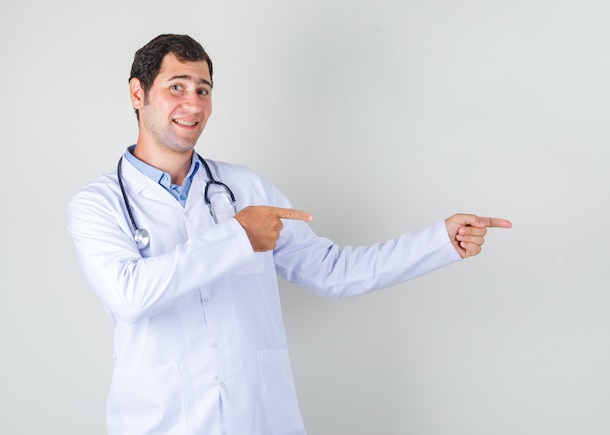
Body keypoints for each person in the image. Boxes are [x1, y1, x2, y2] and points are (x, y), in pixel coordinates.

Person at [66, 33, 512, 435]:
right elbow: (130, 295)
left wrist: (438, 241)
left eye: (203, 90)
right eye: (176, 87)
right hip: (160, 422)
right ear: (137, 93)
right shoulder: (97, 205)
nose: (194, 104)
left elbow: (332, 272)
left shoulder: (246, 189)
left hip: (257, 420)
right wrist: (238, 237)